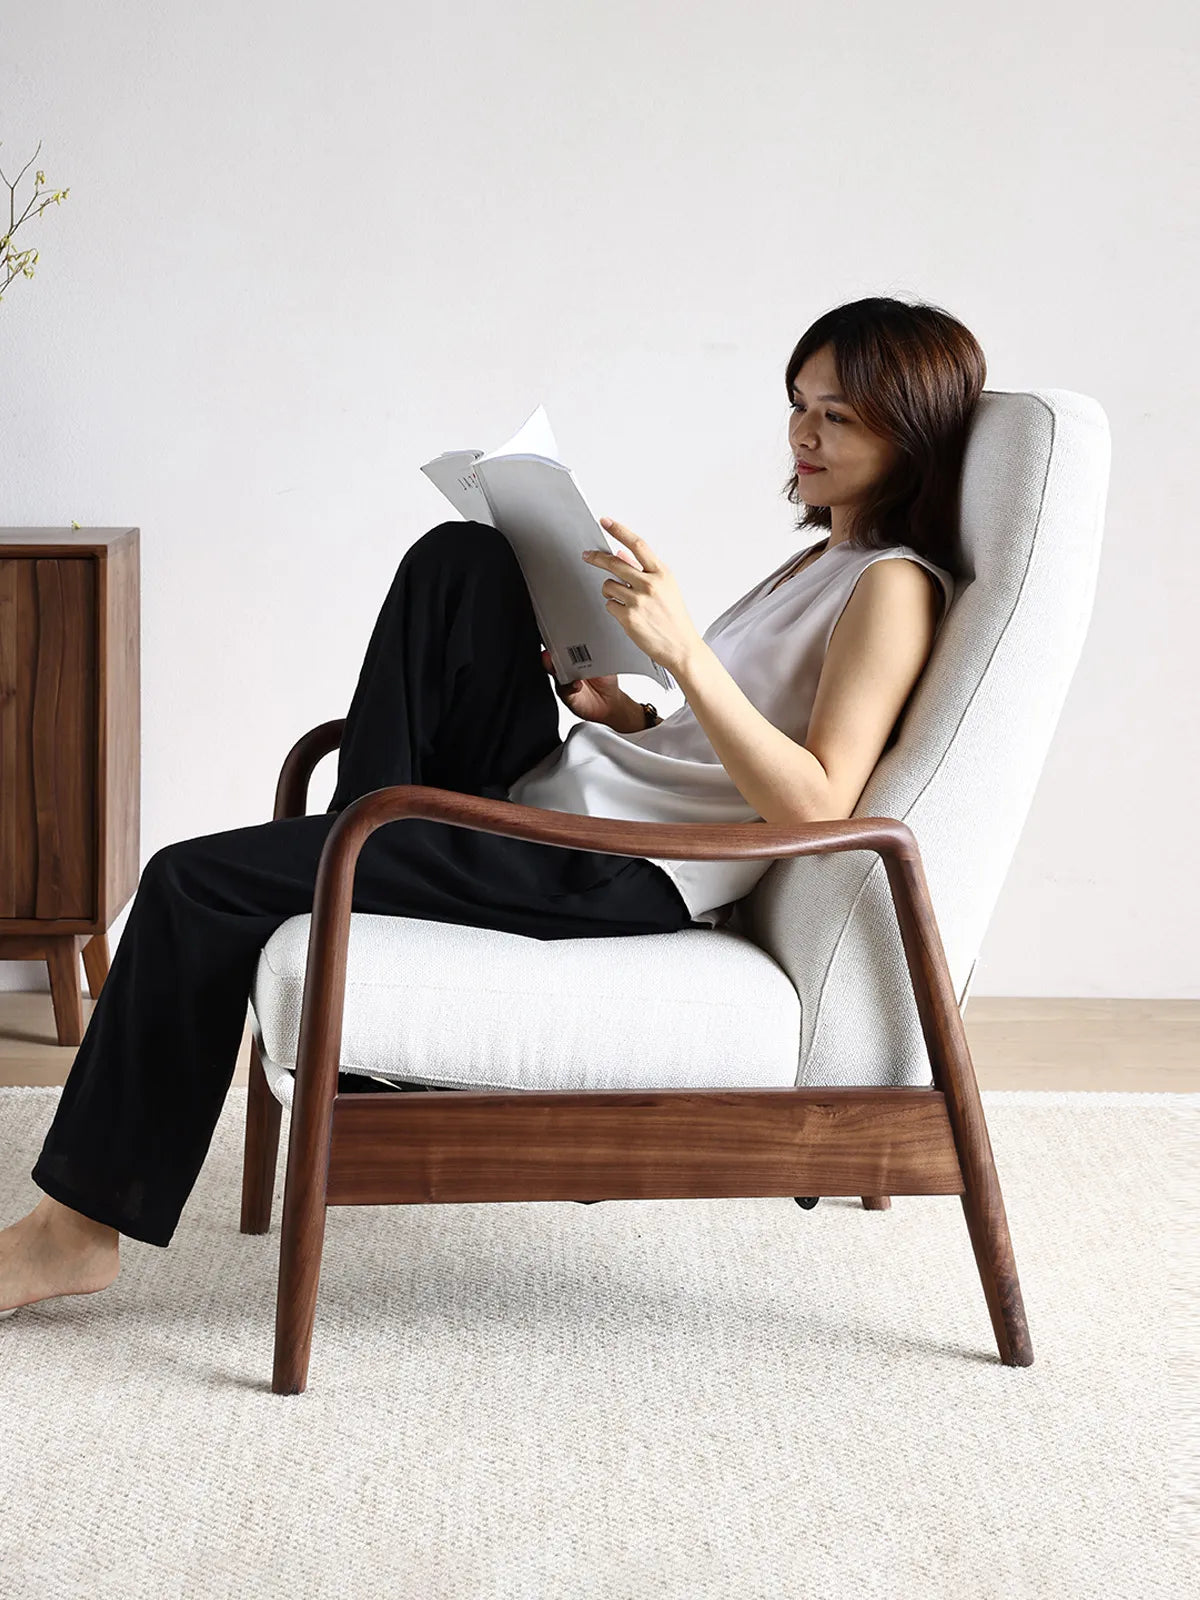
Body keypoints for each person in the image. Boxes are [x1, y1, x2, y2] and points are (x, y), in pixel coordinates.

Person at [0, 294, 983, 1318]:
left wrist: (687, 651)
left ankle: (76, 1232)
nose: (804, 433)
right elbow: (715, 756)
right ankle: (360, 871)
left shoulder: (892, 589)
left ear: (912, 435)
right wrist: (621, 710)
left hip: (614, 865)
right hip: (578, 797)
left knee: (187, 882)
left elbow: (818, 805)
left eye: (841, 416)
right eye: (799, 403)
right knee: (460, 564)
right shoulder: (818, 561)